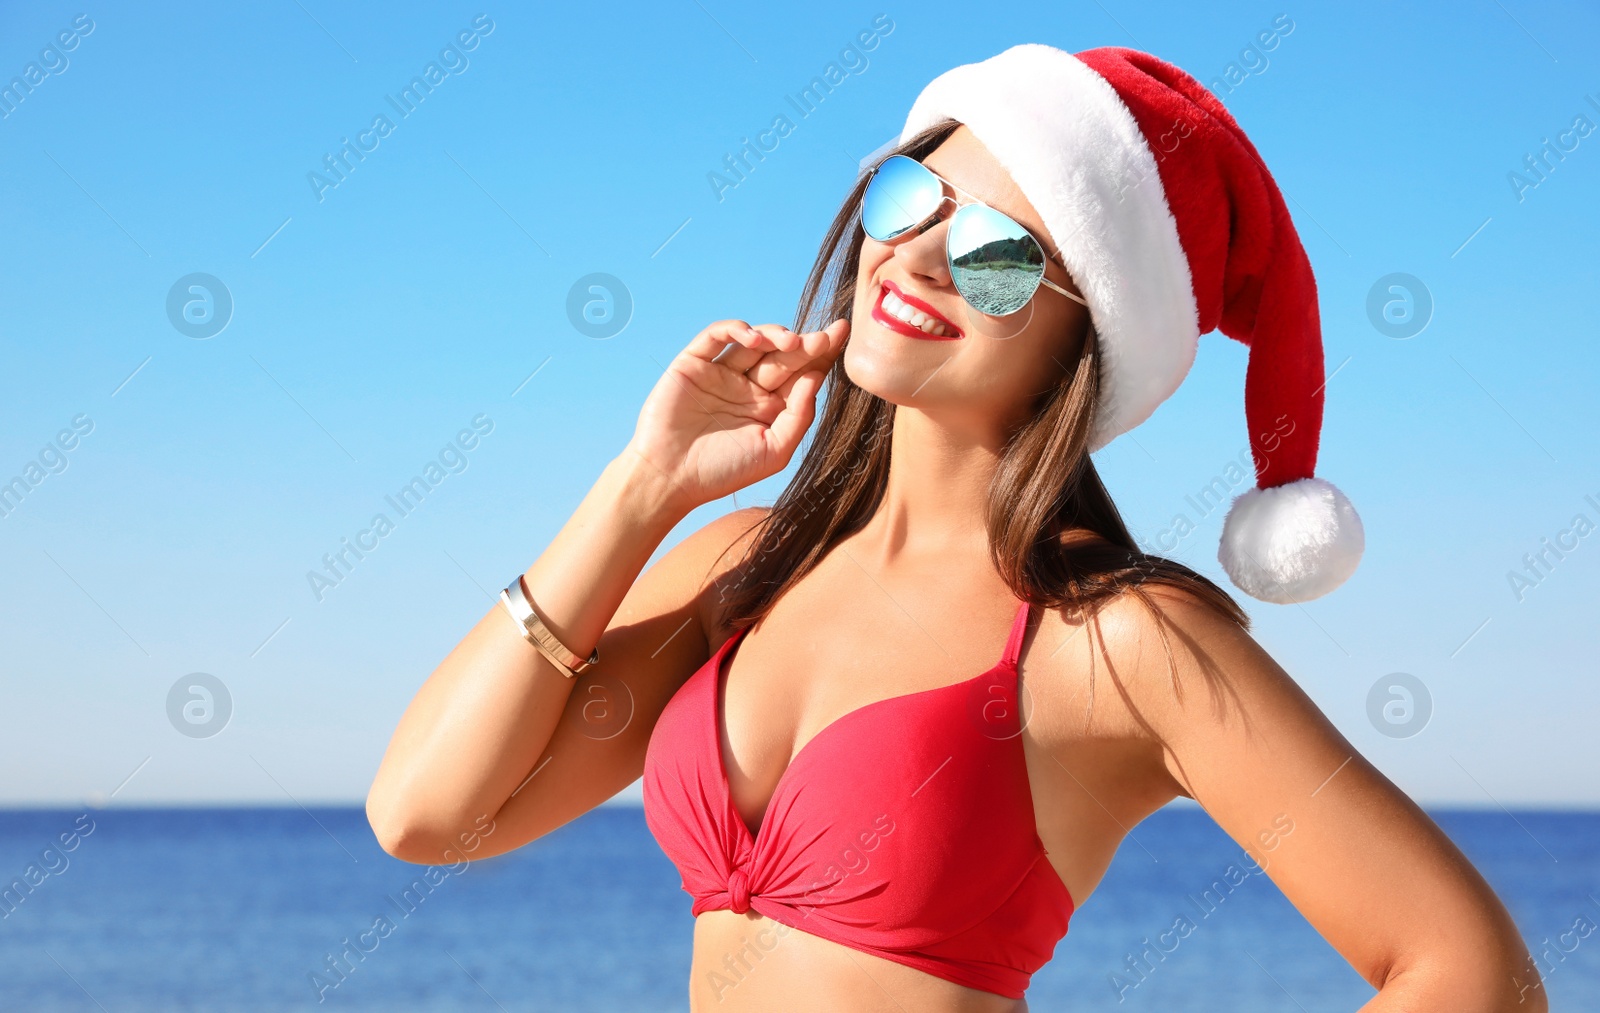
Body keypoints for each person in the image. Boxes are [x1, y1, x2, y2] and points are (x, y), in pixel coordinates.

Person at [366, 44, 1544, 1011]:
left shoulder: (1114, 639)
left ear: (1085, 343)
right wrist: (641, 486)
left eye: (996, 256)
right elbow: (426, 811)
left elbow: (1468, 971)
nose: (921, 254)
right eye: (912, 194)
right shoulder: (741, 569)